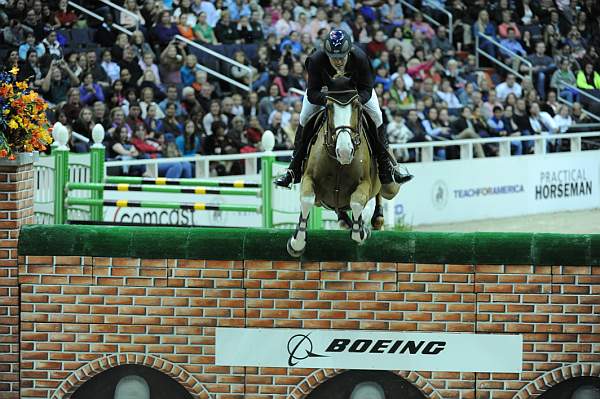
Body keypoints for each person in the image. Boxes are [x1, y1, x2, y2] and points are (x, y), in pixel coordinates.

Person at [274, 29, 413, 188]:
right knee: (304, 117)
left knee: (377, 116)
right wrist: (327, 100)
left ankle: (387, 167)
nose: (338, 61)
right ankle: (293, 170)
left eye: (341, 57)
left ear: (349, 52)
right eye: (334, 58)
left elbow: (367, 89)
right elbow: (312, 93)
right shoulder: (316, 60)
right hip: (326, 93)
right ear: (327, 54)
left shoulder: (360, 58)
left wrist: (356, 101)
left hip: (356, 93)